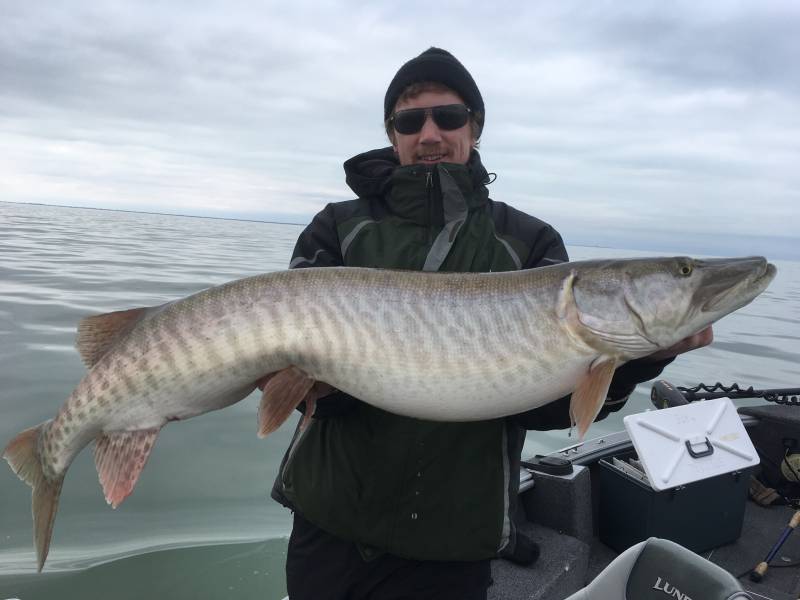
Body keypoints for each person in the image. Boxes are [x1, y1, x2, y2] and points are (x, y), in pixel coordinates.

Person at [269, 47, 713, 600]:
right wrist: (304, 382)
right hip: (329, 520)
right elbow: (309, 394)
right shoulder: (339, 226)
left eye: (448, 117)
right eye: (410, 121)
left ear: (474, 127)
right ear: (394, 134)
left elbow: (546, 405)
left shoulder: (530, 243)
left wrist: (633, 362)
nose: (429, 133)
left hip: (453, 539)